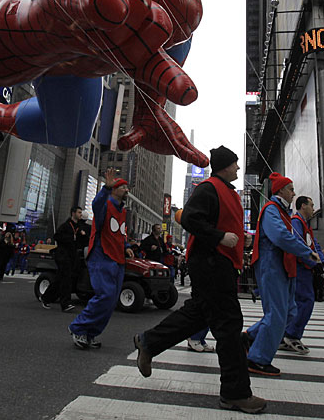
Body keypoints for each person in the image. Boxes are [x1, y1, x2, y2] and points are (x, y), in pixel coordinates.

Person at [133, 146, 265, 414]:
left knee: (199, 314)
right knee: (229, 325)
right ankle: (235, 393)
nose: (238, 168)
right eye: (235, 164)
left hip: (218, 263)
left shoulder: (225, 190)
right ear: (224, 166)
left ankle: (149, 342)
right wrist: (220, 237)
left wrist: (239, 238)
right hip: (211, 263)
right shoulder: (208, 188)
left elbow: (219, 224)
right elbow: (190, 219)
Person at [244, 172, 320, 377]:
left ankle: (250, 337)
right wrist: (307, 253)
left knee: (289, 312)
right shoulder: (272, 209)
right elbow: (280, 236)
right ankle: (257, 359)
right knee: (277, 314)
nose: (294, 194)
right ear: (281, 191)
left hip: (284, 267)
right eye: (291, 190)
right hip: (272, 265)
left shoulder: (282, 212)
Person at [68, 168, 133, 349]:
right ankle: (78, 328)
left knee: (111, 301)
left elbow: (120, 233)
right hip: (101, 255)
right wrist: (106, 187)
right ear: (114, 190)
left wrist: (126, 247)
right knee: (105, 295)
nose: (127, 190)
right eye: (123, 187)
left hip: (118, 258)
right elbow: (96, 205)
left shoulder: (122, 211)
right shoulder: (105, 204)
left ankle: (90, 333)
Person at [283, 196, 324, 354]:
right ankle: (292, 334)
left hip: (306, 267)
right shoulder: (296, 222)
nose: (313, 208)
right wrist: (315, 262)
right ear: (303, 206)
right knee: (305, 301)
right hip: (301, 268)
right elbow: (298, 244)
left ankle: (286, 334)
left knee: (298, 302)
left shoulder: (304, 224)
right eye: (311, 205)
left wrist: (321, 261)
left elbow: (313, 244)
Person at [41, 205, 87, 311]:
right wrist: (71, 238)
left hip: (72, 256)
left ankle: (45, 298)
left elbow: (81, 241)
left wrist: (83, 236)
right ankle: (65, 304)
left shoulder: (79, 227)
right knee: (66, 279)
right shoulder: (65, 226)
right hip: (62, 255)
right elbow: (57, 236)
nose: (81, 214)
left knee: (60, 279)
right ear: (73, 213)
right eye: (79, 212)